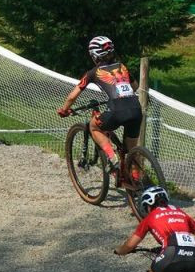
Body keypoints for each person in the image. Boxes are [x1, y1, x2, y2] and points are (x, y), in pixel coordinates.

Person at [56, 35, 143, 179]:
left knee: (94, 127)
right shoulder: (122, 67)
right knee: (132, 150)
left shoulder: (93, 73)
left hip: (116, 110)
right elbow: (135, 87)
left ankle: (112, 157)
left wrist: (64, 110)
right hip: (135, 109)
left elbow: (72, 96)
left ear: (94, 56)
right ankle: (136, 182)